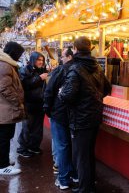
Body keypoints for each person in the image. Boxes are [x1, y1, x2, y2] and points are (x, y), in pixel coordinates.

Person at [59, 37, 111, 192]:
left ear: (75, 49)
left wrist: (61, 93)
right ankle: (88, 185)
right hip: (94, 117)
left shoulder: (75, 68)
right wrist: (93, 98)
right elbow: (107, 88)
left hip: (80, 119)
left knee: (81, 156)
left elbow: (68, 95)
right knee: (88, 154)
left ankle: (85, 189)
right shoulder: (97, 67)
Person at [44, 48, 77, 190]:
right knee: (73, 146)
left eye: (62, 56)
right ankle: (75, 175)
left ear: (69, 56)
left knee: (62, 146)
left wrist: (47, 109)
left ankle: (63, 179)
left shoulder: (60, 70)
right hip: (76, 115)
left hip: (60, 113)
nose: (61, 59)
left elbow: (49, 91)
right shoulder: (81, 70)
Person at [0, 42, 25, 175]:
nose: (20, 57)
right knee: (3, 137)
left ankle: (3, 160)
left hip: (5, 108)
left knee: (5, 136)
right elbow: (4, 88)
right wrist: (17, 102)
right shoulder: (5, 65)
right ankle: (3, 166)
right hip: (5, 109)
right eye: (19, 54)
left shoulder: (6, 63)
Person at [17, 51, 48, 157]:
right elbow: (24, 85)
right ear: (33, 59)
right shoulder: (25, 70)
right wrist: (39, 78)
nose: (41, 62)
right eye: (38, 60)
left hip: (40, 103)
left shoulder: (43, 70)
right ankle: (23, 148)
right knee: (27, 127)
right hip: (29, 103)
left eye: (42, 60)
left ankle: (34, 146)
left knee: (38, 127)